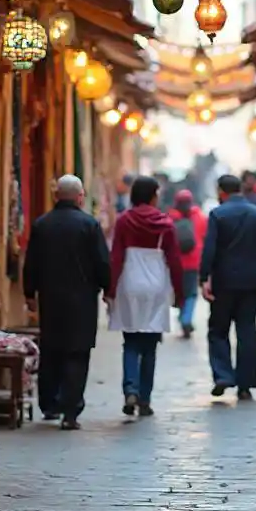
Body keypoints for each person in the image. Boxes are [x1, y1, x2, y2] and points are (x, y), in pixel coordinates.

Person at [23, 174, 111, 430]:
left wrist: (30, 294)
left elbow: (32, 263)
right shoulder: (89, 225)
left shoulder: (42, 225)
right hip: (82, 300)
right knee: (77, 352)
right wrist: (107, 288)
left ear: (55, 196)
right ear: (80, 196)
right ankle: (70, 412)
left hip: (51, 299)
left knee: (51, 351)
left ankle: (50, 405)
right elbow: (102, 262)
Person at [109, 175, 184, 417]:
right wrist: (180, 294)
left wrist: (109, 290)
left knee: (130, 341)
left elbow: (116, 257)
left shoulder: (124, 221)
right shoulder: (165, 224)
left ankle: (130, 388)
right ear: (153, 196)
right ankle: (145, 399)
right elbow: (174, 261)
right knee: (150, 346)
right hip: (155, 284)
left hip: (129, 281)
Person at [200, 174, 256, 401]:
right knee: (247, 330)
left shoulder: (218, 214)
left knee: (218, 329)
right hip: (249, 280)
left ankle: (223, 375)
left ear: (221, 191)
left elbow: (209, 249)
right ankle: (245, 384)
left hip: (223, 282)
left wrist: (204, 277)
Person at [169, 189, 207, 337]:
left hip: (175, 262)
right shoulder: (200, 218)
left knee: (179, 293)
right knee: (191, 292)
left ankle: (182, 317)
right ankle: (186, 318)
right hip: (193, 262)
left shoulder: (170, 219)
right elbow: (205, 239)